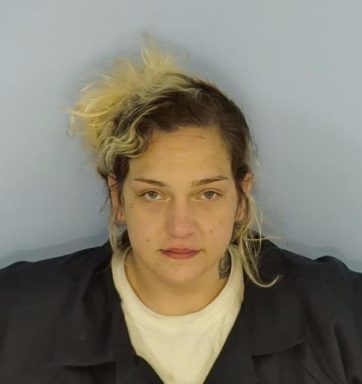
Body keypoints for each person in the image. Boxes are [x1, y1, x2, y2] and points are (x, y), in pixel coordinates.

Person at [0, 42, 361, 384]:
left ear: (241, 197)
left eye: (208, 193)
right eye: (153, 194)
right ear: (118, 197)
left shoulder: (336, 312)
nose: (180, 227)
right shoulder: (18, 315)